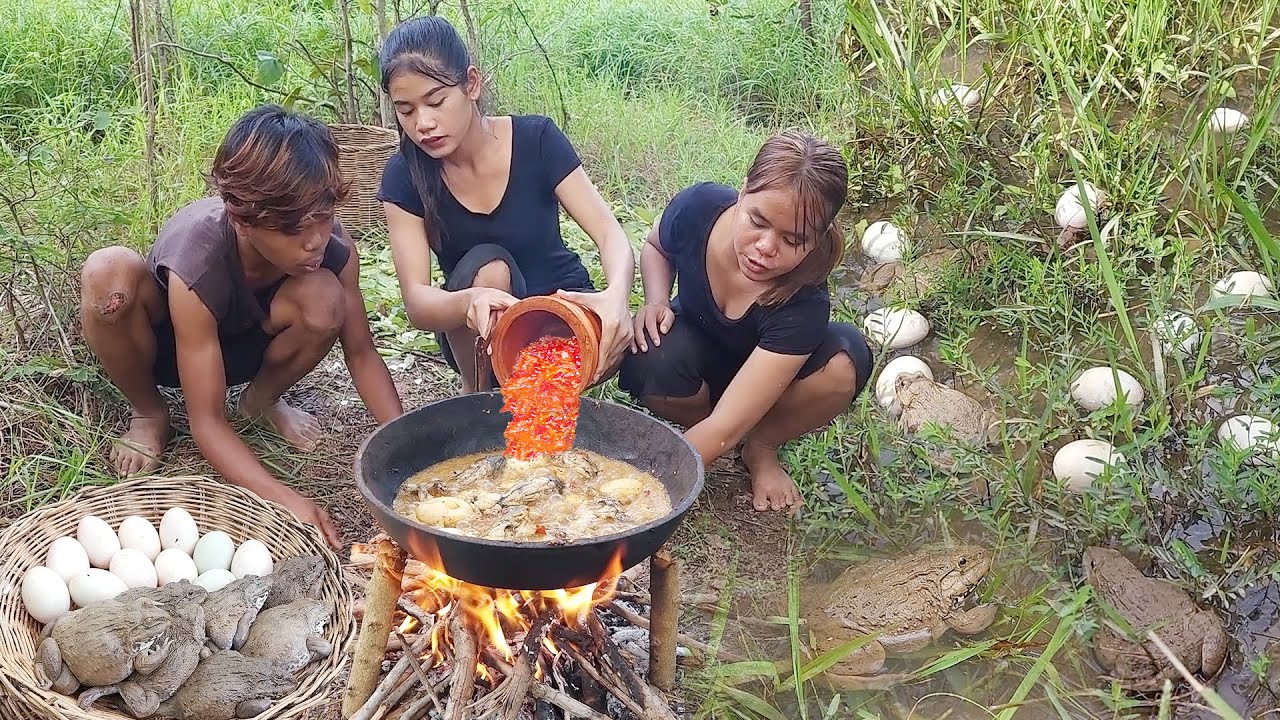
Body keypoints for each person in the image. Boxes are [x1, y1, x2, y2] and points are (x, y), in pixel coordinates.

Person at [79, 104, 404, 548]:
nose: (314, 240)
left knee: (325, 298)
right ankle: (149, 412)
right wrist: (284, 499)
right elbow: (206, 422)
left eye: (323, 217)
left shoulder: (333, 248)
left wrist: (410, 446)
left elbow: (361, 353)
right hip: (171, 350)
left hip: (249, 346)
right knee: (107, 272)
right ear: (242, 220)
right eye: (292, 229)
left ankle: (260, 400)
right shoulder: (198, 258)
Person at [376, 16, 635, 392]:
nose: (424, 123)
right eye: (406, 110)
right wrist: (472, 300)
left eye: (436, 101)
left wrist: (616, 297)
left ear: (472, 83)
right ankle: (478, 397)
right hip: (477, 330)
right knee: (489, 266)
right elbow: (417, 301)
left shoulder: (537, 140)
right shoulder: (405, 174)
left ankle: (541, 392)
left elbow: (610, 234)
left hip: (559, 312)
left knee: (560, 387)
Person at [618, 130, 873, 513]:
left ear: (817, 239)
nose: (766, 247)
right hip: (696, 357)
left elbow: (724, 426)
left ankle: (761, 443)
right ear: (743, 191)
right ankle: (722, 431)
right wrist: (656, 300)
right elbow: (656, 246)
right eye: (757, 220)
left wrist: (641, 495)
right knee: (650, 354)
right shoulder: (698, 208)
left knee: (846, 360)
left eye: (793, 240)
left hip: (772, 380)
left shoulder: (804, 303)